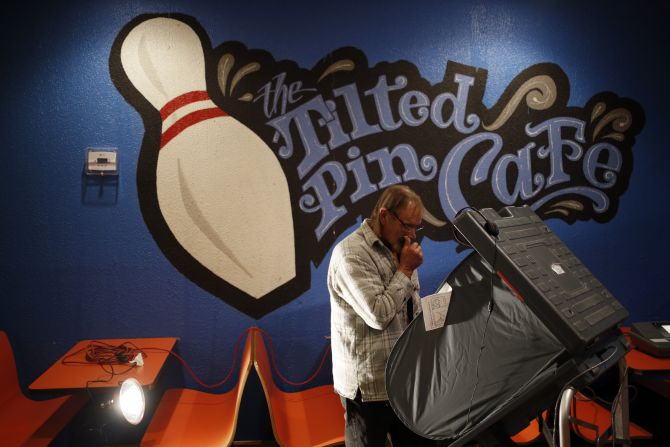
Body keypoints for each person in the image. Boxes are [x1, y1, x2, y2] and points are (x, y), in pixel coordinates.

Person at [328, 184, 432, 446]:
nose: (411, 234)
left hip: (405, 379)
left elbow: (409, 305)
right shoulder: (351, 254)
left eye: (416, 227)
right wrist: (406, 269)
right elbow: (378, 314)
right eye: (407, 225)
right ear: (384, 216)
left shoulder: (400, 247)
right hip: (369, 387)